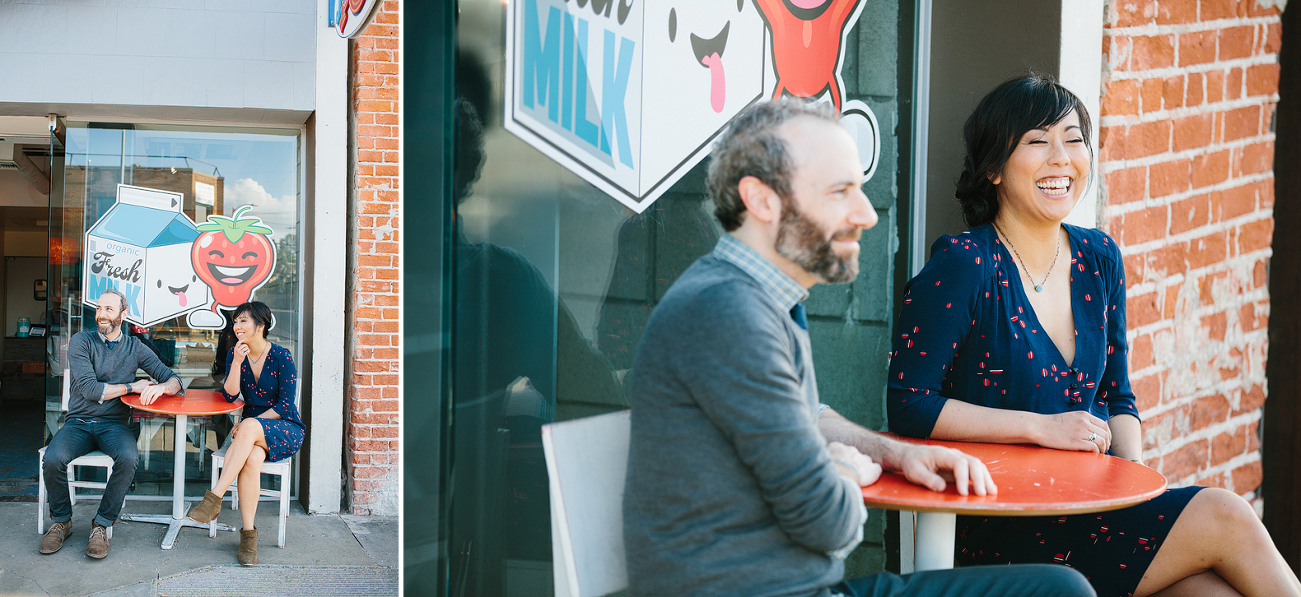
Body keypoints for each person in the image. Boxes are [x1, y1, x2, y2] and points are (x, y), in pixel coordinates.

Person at [623, 99, 1095, 597]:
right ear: (761, 201)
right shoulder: (727, 315)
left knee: (1060, 588)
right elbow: (829, 523)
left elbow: (805, 415)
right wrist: (847, 470)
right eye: (839, 191)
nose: (867, 214)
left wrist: (892, 452)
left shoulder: (759, 297)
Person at [886, 74, 1301, 597]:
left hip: (1093, 509)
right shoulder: (965, 263)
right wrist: (1040, 428)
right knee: (1225, 513)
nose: (1061, 158)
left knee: (1213, 593)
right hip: (999, 520)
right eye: (1037, 141)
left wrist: (1137, 495)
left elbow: (1116, 395)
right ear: (993, 168)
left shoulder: (1097, 257)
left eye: (1074, 139)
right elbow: (908, 404)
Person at [40, 289, 184, 559]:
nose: (101, 315)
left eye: (108, 309)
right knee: (52, 458)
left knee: (129, 458)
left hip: (114, 425)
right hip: (78, 423)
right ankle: (62, 521)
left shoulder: (135, 347)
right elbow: (92, 391)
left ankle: (101, 525)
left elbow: (175, 380)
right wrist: (133, 385)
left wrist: (162, 387)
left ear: (123, 314)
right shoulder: (81, 341)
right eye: (98, 309)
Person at [185, 301, 304, 566]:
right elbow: (229, 394)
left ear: (260, 325)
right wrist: (237, 362)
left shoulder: (282, 356)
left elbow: (285, 405)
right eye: (236, 322)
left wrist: (250, 424)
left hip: (284, 427)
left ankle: (214, 497)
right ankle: (248, 536)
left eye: (243, 321)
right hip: (252, 432)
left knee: (249, 425)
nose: (237, 327)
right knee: (250, 460)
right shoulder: (235, 355)